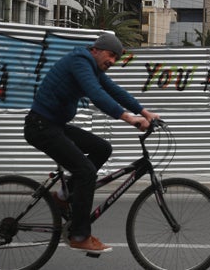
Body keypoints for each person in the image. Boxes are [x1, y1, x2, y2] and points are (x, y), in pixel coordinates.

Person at [24, 33, 159, 254]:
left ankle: (63, 196)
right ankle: (79, 235)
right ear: (96, 50)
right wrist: (129, 118)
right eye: (111, 55)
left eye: (116, 58)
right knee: (86, 172)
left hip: (55, 125)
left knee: (103, 148)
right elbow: (96, 94)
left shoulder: (94, 68)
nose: (112, 62)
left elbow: (113, 90)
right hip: (41, 127)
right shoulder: (80, 61)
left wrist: (144, 112)